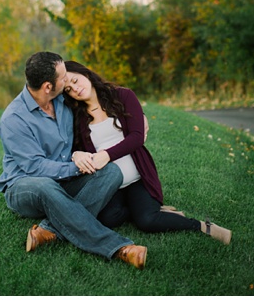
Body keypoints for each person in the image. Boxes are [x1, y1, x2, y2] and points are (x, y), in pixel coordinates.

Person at [0, 51, 148, 269]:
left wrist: (137, 119)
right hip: (26, 186)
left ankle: (50, 231)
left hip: (62, 181)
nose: (68, 78)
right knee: (46, 185)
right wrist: (76, 166)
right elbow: (35, 167)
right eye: (63, 75)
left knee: (111, 171)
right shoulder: (14, 119)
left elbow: (99, 97)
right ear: (48, 86)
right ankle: (120, 249)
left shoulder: (62, 101)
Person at [63, 60, 232, 244]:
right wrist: (76, 154)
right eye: (69, 89)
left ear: (85, 73)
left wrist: (107, 155)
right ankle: (146, 208)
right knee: (108, 219)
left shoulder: (122, 96)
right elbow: (76, 148)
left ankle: (202, 226)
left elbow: (137, 136)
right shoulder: (77, 116)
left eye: (75, 80)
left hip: (138, 178)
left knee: (147, 220)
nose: (75, 88)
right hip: (110, 185)